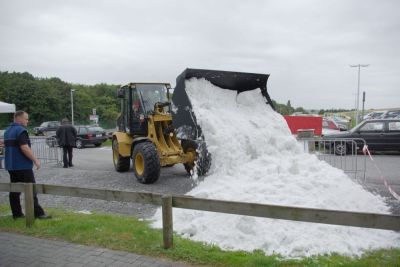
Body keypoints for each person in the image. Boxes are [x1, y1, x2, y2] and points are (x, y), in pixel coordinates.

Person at [4, 110, 51, 219]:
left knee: (14, 190)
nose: (27, 121)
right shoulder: (21, 131)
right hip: (22, 166)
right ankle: (39, 213)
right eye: (26, 119)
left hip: (11, 166)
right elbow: (24, 147)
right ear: (19, 118)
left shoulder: (7, 131)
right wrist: (35, 160)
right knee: (31, 189)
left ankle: (17, 214)